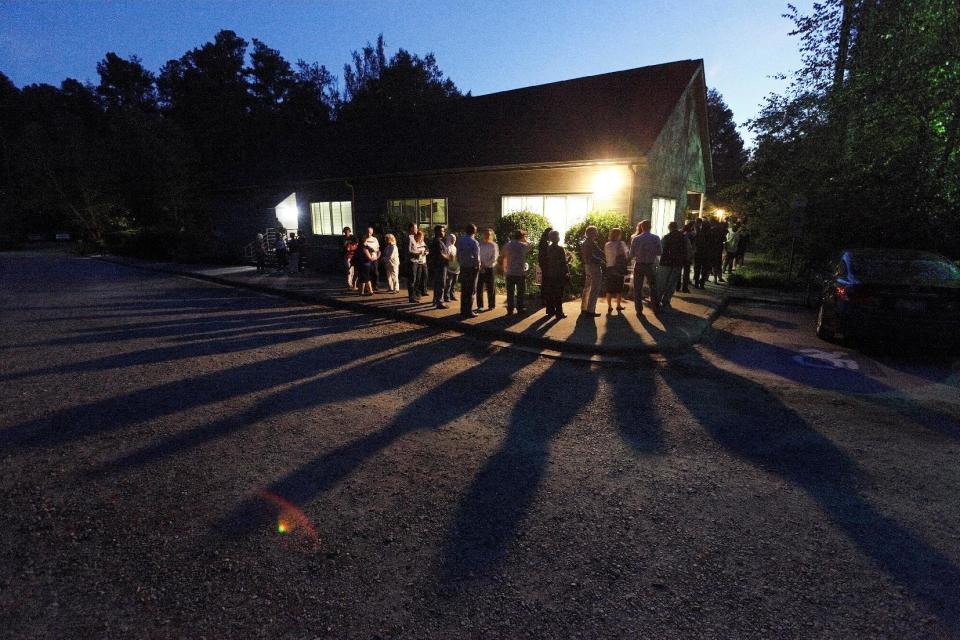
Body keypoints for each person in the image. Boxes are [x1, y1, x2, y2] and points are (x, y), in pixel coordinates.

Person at [629, 219, 661, 313]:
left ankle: (639, 310)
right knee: (653, 287)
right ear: (650, 227)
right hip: (650, 265)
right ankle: (655, 308)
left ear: (641, 227)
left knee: (637, 288)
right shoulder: (656, 238)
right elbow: (659, 252)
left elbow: (631, 254)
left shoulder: (636, 238)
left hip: (638, 265)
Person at [541, 229, 569, 319]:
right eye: (558, 236)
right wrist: (567, 269)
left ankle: (550, 311)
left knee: (550, 293)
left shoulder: (548, 248)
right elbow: (563, 262)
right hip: (559, 274)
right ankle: (559, 313)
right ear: (557, 238)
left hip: (550, 273)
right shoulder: (560, 249)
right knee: (558, 294)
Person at [502, 229, 531, 314]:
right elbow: (530, 245)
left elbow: (503, 257)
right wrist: (525, 239)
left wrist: (504, 269)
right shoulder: (523, 246)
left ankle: (510, 310)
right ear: (522, 237)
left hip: (510, 272)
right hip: (520, 273)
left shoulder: (507, 245)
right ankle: (520, 308)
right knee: (520, 293)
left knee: (510, 293)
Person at [455, 224, 480, 318]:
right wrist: (478, 266)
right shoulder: (474, 242)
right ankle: (469, 311)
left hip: (463, 266)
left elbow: (458, 253)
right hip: (472, 268)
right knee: (471, 290)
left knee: (464, 289)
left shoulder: (461, 240)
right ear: (474, 231)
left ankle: (463, 310)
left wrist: (460, 262)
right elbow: (477, 256)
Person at [658, 221, 685, 309]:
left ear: (669, 228)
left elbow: (660, 249)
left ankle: (658, 300)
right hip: (677, 263)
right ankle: (666, 300)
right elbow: (688, 249)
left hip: (665, 262)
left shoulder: (666, 237)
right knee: (672, 283)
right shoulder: (683, 237)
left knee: (662, 282)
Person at [579, 225, 605, 318]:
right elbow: (596, 254)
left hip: (587, 266)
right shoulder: (590, 243)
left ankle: (584, 308)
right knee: (595, 288)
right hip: (593, 266)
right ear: (592, 233)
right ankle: (590, 311)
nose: (597, 233)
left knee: (587, 287)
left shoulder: (585, 242)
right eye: (595, 231)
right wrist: (603, 260)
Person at [604, 227, 629, 313]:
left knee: (609, 288)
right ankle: (618, 305)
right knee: (619, 288)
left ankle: (609, 306)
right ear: (618, 235)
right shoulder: (621, 244)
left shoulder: (607, 244)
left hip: (609, 267)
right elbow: (626, 255)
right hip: (619, 268)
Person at [427, 224, 450, 309]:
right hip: (440, 266)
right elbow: (441, 255)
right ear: (437, 232)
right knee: (441, 284)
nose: (444, 232)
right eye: (442, 231)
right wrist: (449, 257)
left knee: (438, 283)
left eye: (444, 231)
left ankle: (435, 300)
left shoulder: (437, 241)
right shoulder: (438, 242)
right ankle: (439, 302)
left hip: (438, 265)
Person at [476, 228, 499, 312]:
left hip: (490, 268)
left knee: (491, 287)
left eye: (489, 234)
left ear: (491, 235)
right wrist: (480, 265)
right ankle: (480, 306)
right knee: (479, 288)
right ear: (483, 235)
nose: (487, 235)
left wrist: (486, 265)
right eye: (486, 234)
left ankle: (491, 305)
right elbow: (477, 255)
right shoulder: (479, 244)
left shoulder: (494, 245)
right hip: (480, 268)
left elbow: (495, 257)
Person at [407, 223, 427, 298]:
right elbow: (408, 251)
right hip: (412, 261)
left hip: (416, 261)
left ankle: (414, 295)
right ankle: (411, 297)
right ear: (411, 228)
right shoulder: (409, 237)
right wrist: (418, 253)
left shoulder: (412, 237)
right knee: (412, 279)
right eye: (415, 228)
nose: (417, 229)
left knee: (415, 279)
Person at [355, 228, 377, 296]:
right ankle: (368, 291)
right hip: (366, 264)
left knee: (364, 278)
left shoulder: (359, 247)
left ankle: (364, 291)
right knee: (365, 278)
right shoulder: (364, 248)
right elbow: (369, 257)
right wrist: (375, 258)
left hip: (361, 264)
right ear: (365, 240)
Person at [537, 227, 554, 308]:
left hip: (543, 263)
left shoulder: (543, 241)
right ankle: (545, 300)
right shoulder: (545, 243)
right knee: (546, 282)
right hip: (546, 264)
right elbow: (546, 255)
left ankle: (544, 299)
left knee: (545, 281)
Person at [693, 218, 710, 289]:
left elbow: (695, 243)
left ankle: (697, 283)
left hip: (698, 253)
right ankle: (702, 284)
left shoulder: (698, 233)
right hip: (706, 254)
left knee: (697, 269)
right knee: (704, 269)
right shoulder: (710, 234)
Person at [678, 222, 694, 293]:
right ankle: (684, 288)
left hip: (679, 256)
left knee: (678, 272)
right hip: (686, 257)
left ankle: (677, 286)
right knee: (686, 273)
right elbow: (690, 248)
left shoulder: (679, 235)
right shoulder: (690, 236)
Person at [443, 233, 459, 302]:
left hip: (455, 267)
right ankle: (446, 296)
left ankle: (452, 295)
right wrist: (450, 257)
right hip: (449, 267)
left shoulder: (454, 247)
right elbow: (445, 256)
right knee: (449, 282)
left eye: (454, 239)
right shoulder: (447, 247)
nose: (453, 240)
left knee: (454, 282)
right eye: (452, 239)